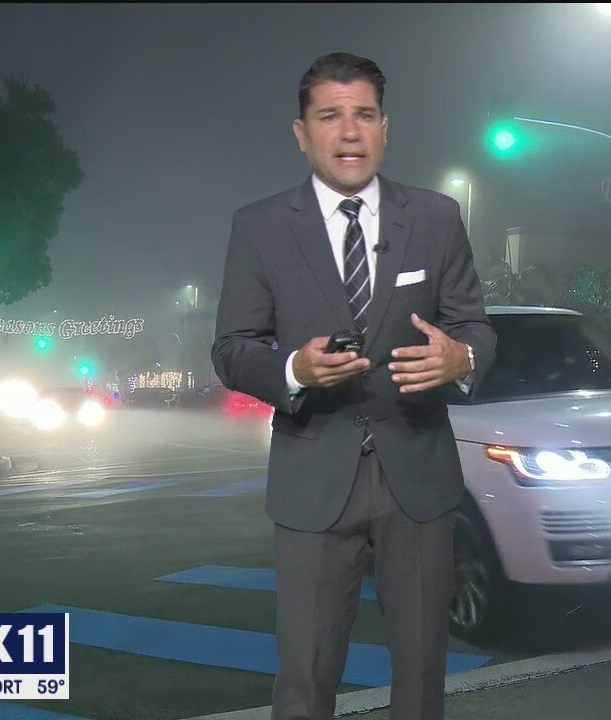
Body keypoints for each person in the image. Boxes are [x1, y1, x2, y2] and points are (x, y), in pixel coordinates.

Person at [211, 52, 496, 720]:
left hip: (418, 474)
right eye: (329, 116)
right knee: (305, 680)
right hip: (313, 476)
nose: (348, 132)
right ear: (301, 132)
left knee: (422, 676)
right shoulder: (259, 226)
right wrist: (294, 370)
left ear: (384, 128)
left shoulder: (435, 217)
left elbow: (475, 327)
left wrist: (460, 359)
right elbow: (232, 349)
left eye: (364, 115)